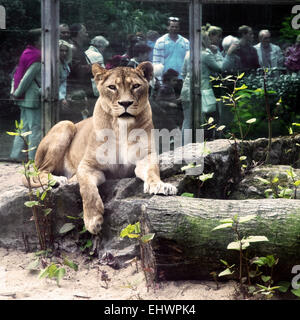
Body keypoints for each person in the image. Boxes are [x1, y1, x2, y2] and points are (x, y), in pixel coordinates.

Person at [10, 29, 42, 161]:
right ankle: (34, 158)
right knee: (35, 128)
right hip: (31, 97)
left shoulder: (26, 52)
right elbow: (27, 78)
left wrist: (15, 92)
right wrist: (18, 93)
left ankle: (15, 155)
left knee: (23, 127)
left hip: (24, 97)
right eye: (42, 38)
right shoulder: (37, 56)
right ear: (36, 40)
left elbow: (17, 73)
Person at [152, 17, 190, 85]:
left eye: (176, 27)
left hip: (182, 79)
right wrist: (159, 81)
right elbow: (156, 62)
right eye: (172, 26)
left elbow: (189, 62)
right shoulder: (160, 42)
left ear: (179, 28)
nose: (174, 29)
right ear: (168, 27)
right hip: (166, 80)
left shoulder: (186, 42)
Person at [68, 23, 92, 120]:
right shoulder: (73, 48)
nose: (87, 34)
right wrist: (91, 68)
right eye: (84, 31)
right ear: (77, 33)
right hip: (76, 88)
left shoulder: (78, 47)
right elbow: (76, 69)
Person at [58, 39, 73, 120]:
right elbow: (54, 84)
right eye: (61, 50)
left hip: (63, 96)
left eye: (66, 51)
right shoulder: (55, 64)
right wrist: (61, 98)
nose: (64, 53)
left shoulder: (64, 62)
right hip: (56, 96)